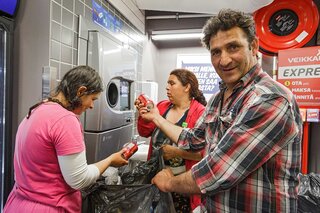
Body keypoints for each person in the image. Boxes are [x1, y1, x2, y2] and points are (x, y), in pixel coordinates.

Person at [139, 9, 302, 212]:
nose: (224, 60)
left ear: (253, 47)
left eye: (233, 47)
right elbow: (193, 139)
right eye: (216, 52)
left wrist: (169, 182)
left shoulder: (269, 99)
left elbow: (216, 172)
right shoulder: (218, 99)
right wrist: (155, 117)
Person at [4, 65, 128, 213]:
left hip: (17, 205)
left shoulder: (36, 111)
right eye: (92, 99)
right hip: (49, 208)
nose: (92, 106)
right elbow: (79, 180)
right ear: (81, 91)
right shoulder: (65, 120)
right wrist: (110, 160)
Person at [135, 68, 207, 212]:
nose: (167, 87)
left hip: (181, 184)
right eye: (167, 83)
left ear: (187, 87)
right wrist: (143, 116)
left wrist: (177, 152)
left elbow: (203, 154)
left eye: (172, 83)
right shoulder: (162, 106)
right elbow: (144, 132)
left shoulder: (200, 112)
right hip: (155, 177)